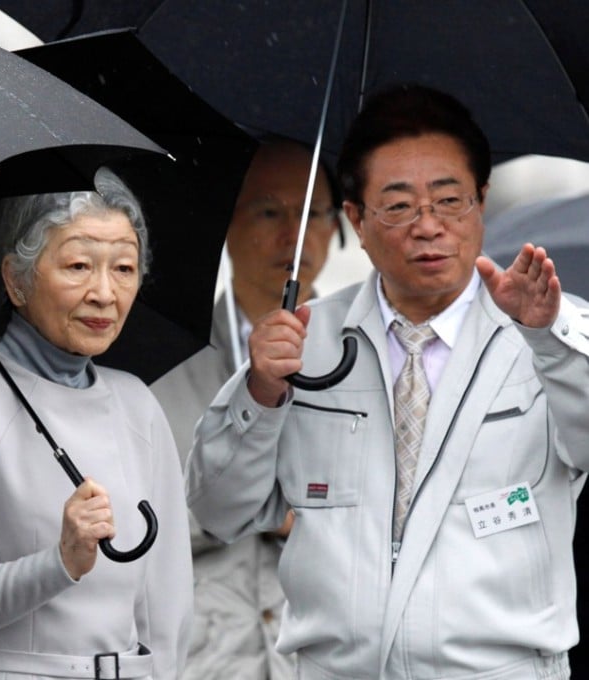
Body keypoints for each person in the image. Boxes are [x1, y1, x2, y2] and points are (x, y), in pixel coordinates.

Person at [186, 84, 589, 680]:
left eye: (450, 200)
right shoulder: (303, 341)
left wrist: (548, 341)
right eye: (398, 206)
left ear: (482, 201)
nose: (428, 226)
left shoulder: (551, 327)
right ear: (357, 219)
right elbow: (218, 509)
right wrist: (259, 394)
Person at [0, 167, 193, 679]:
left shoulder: (137, 403)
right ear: (16, 279)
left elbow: (166, 608)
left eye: (124, 268)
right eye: (79, 264)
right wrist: (59, 561)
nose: (105, 293)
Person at [151, 138, 341, 680]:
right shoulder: (160, 365)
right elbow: (139, 507)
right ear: (224, 222)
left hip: (325, 652)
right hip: (206, 656)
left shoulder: (368, 357)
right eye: (268, 210)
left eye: (313, 213)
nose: (294, 234)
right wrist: (259, 505)